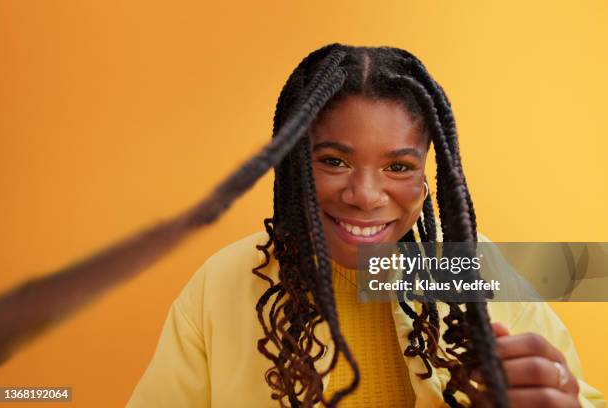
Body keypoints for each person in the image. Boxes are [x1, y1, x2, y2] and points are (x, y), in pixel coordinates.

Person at [126, 44, 604, 407]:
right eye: (334, 160)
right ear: (294, 164)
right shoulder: (221, 284)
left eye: (398, 167)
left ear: (428, 174)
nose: (365, 195)